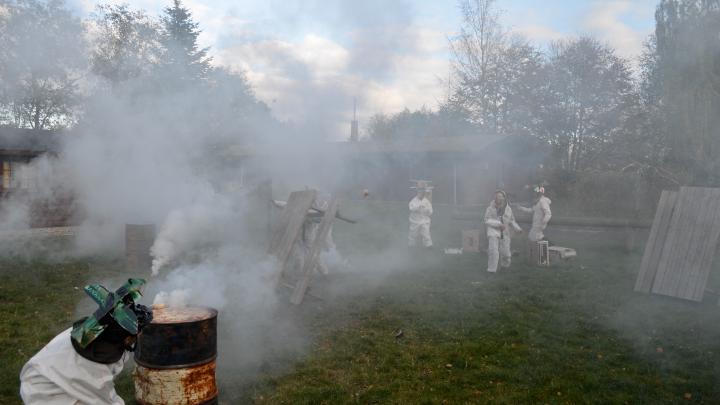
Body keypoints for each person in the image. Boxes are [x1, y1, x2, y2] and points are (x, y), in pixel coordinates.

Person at [20, 278, 153, 405]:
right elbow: (105, 400)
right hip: (45, 393)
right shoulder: (96, 369)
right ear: (126, 336)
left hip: (45, 376)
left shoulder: (93, 332)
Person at [484, 190, 522, 272]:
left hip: (505, 233)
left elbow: (512, 220)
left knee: (506, 254)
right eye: (497, 196)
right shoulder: (490, 209)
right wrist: (498, 224)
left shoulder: (508, 209)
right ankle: (491, 270)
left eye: (501, 196)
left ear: (504, 198)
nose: (499, 198)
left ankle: (504, 267)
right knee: (493, 251)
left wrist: (517, 228)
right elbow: (486, 220)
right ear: (495, 198)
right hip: (493, 231)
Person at [408, 182, 433, 248]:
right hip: (415, 220)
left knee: (426, 234)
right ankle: (411, 245)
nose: (421, 194)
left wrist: (427, 210)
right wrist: (419, 207)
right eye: (420, 192)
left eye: (422, 192)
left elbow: (430, 212)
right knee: (413, 234)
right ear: (417, 193)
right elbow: (411, 208)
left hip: (425, 221)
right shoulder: (413, 201)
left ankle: (428, 246)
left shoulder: (427, 202)